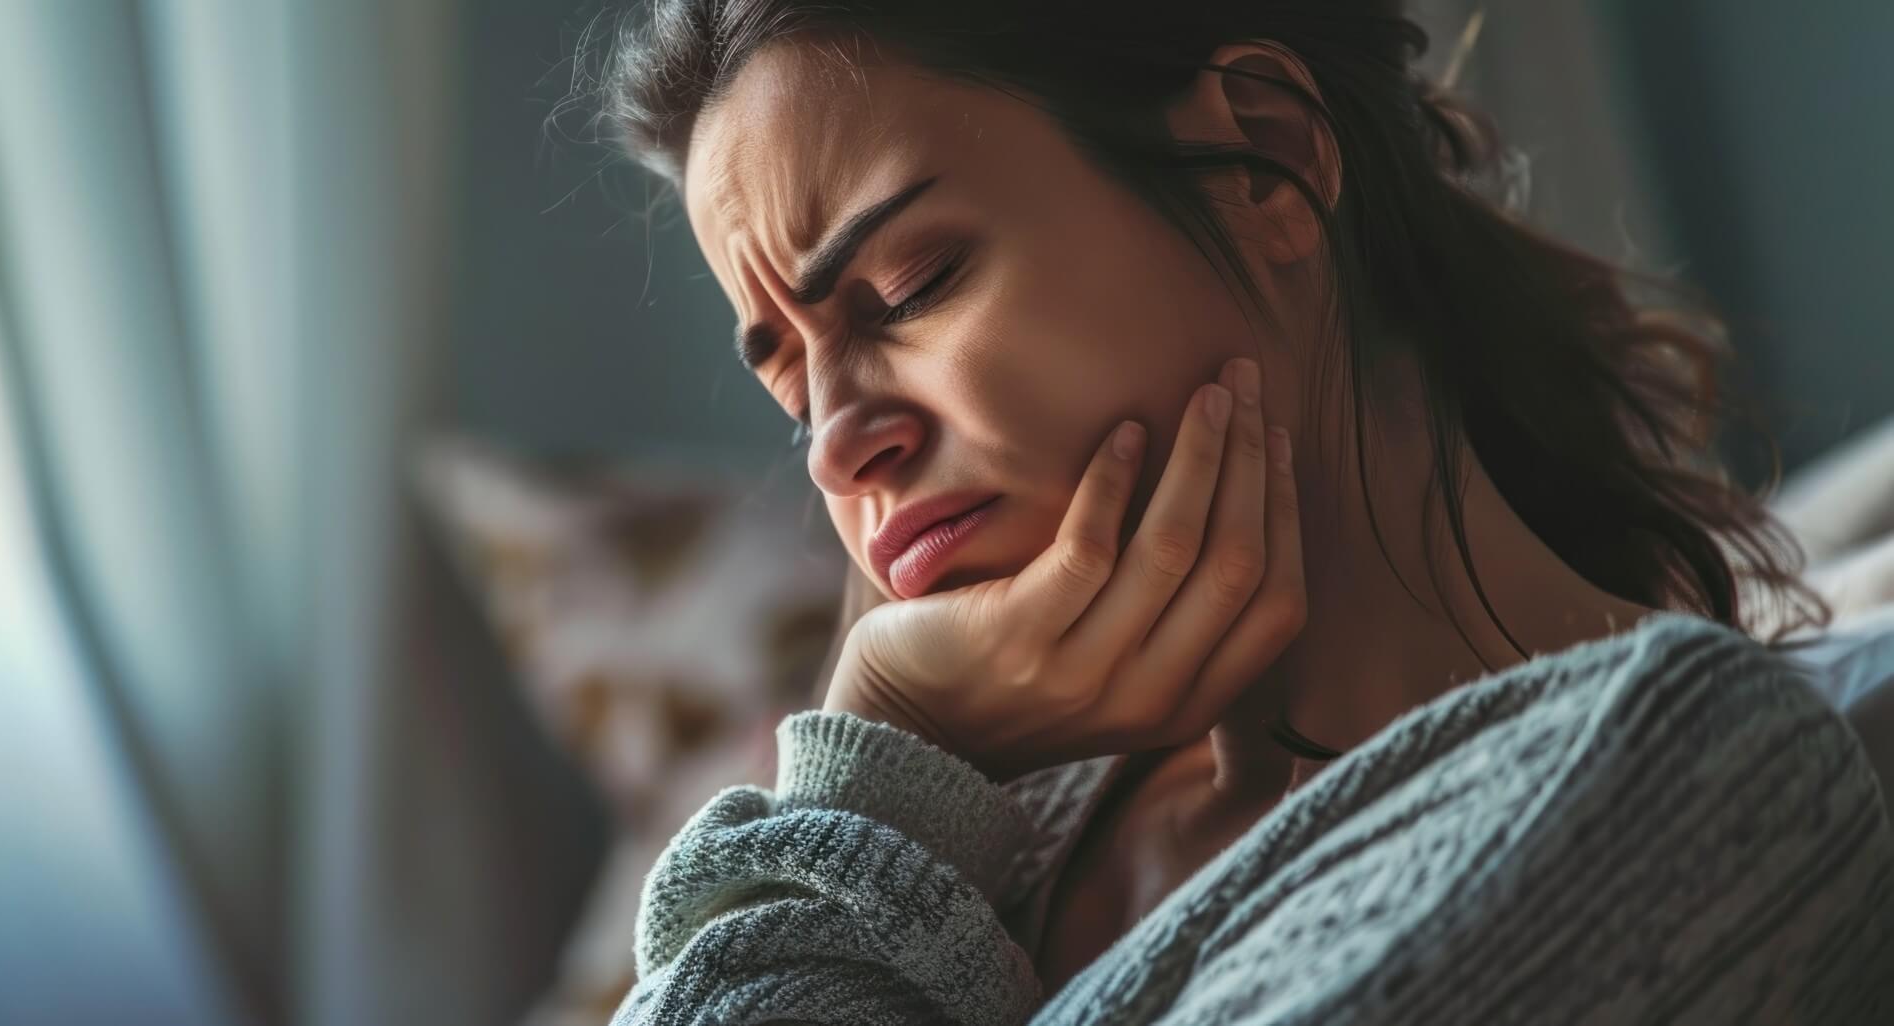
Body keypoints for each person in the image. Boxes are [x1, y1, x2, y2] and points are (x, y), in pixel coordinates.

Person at [589, 2, 1894, 1022]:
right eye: (789, 383)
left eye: (911, 281)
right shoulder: (985, 821)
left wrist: (882, 761)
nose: (837, 449)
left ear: (1266, 155)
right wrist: (888, 757)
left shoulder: (1686, 771)